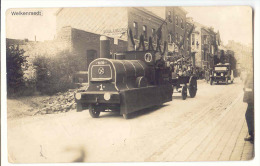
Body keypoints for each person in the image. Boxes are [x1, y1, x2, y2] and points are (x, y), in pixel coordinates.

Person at [243, 72, 254, 143]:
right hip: (251, 100)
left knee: (248, 115)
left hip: (252, 100)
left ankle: (252, 135)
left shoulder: (252, 74)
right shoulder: (250, 74)